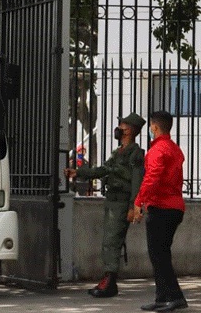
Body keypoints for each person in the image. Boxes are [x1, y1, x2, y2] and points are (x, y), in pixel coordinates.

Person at [63, 113, 145, 298]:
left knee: (112, 242)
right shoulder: (118, 152)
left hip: (122, 202)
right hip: (112, 201)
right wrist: (79, 172)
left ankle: (110, 281)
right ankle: (109, 280)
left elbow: (136, 181)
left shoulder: (136, 153)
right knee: (109, 242)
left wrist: (134, 206)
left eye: (122, 125)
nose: (119, 128)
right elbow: (102, 170)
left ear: (130, 130)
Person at [133, 111, 187, 312]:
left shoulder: (157, 150)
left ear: (154, 127)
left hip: (162, 207)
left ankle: (174, 296)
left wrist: (139, 202)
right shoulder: (174, 149)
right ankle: (162, 296)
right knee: (160, 254)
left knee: (159, 255)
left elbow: (152, 178)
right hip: (174, 207)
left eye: (150, 127)